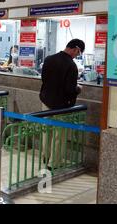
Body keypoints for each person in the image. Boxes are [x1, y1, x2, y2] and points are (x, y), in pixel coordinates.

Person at [40, 39, 85, 170]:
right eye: (78, 53)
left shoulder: (49, 59)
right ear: (76, 49)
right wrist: (78, 89)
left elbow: (44, 79)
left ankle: (45, 156)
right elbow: (69, 89)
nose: (77, 55)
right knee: (59, 134)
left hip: (46, 101)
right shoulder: (71, 65)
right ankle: (54, 163)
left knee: (46, 130)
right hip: (62, 105)